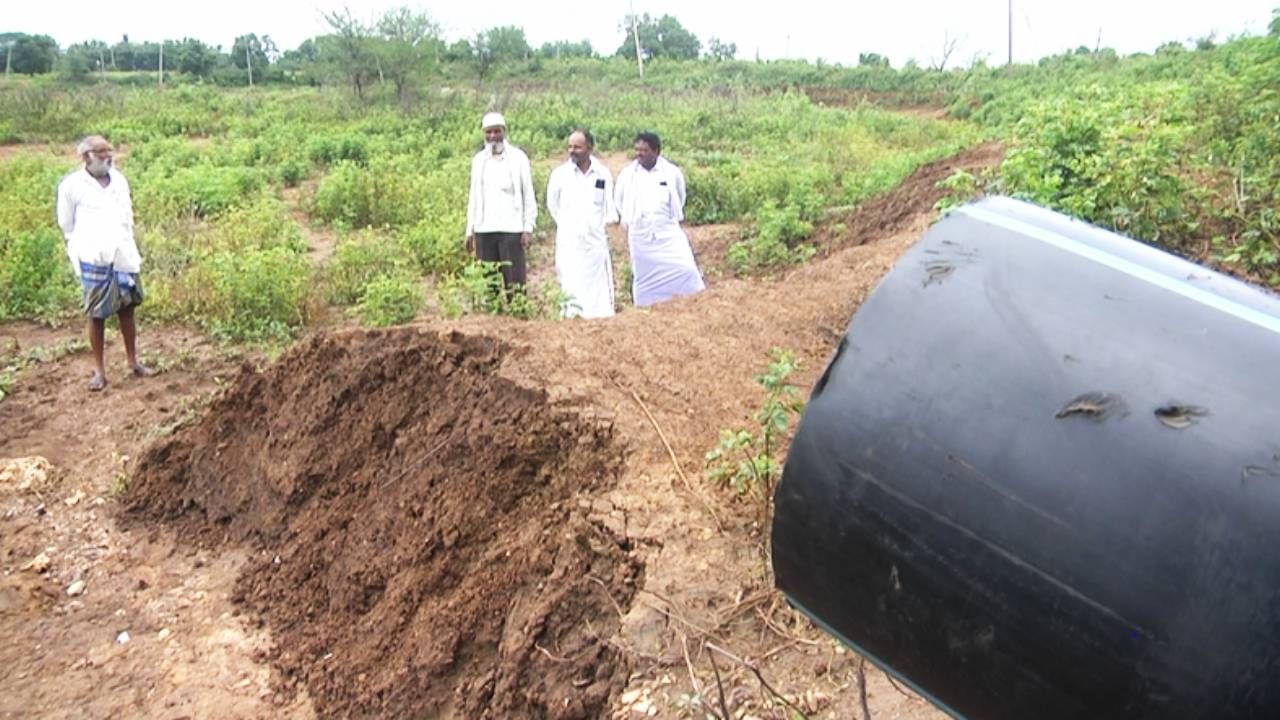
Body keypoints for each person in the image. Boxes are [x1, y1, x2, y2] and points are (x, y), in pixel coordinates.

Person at [56, 135, 148, 392]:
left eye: (110, 152)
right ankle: (99, 371)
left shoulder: (119, 180)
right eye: (102, 153)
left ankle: (133, 362)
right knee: (96, 314)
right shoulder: (72, 186)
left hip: (122, 253)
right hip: (93, 256)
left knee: (128, 308)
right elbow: (66, 224)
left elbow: (127, 214)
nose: (108, 157)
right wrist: (83, 247)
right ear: (87, 157)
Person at [614, 131, 705, 307]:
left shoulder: (671, 172)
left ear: (656, 151)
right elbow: (619, 200)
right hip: (640, 235)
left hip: (667, 231)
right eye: (637, 150)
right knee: (644, 277)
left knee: (685, 269)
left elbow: (680, 196)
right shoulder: (627, 174)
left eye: (644, 150)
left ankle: (694, 304)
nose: (639, 154)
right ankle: (646, 309)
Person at [545, 128, 619, 319]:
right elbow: (553, 205)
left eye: (577, 147)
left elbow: (607, 206)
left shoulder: (602, 173)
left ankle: (600, 321)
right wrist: (569, 225)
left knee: (598, 287)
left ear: (589, 148)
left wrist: (594, 226)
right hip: (569, 241)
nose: (572, 151)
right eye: (569, 146)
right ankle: (572, 320)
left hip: (594, 242)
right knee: (571, 281)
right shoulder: (559, 175)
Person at [464, 112, 537, 295]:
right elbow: (474, 195)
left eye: (497, 131)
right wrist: (469, 230)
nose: (493, 137)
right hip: (484, 229)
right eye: (488, 132)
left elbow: (528, 194)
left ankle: (518, 319)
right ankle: (492, 322)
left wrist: (528, 228)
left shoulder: (519, 158)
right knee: (489, 285)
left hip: (511, 229)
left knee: (515, 283)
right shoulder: (479, 160)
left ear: (504, 132)